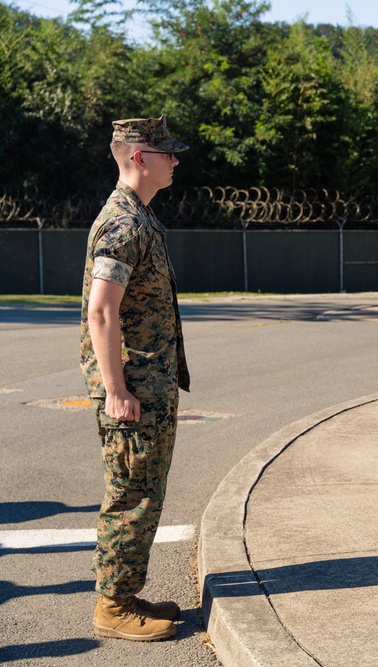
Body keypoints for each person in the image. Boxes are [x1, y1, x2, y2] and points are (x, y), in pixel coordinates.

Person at [81, 116, 191, 640]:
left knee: (143, 491)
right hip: (133, 388)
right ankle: (114, 607)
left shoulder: (140, 217)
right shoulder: (123, 223)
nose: (175, 159)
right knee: (132, 494)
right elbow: (101, 313)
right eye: (167, 152)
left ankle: (124, 593)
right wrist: (116, 390)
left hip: (148, 384)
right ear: (139, 157)